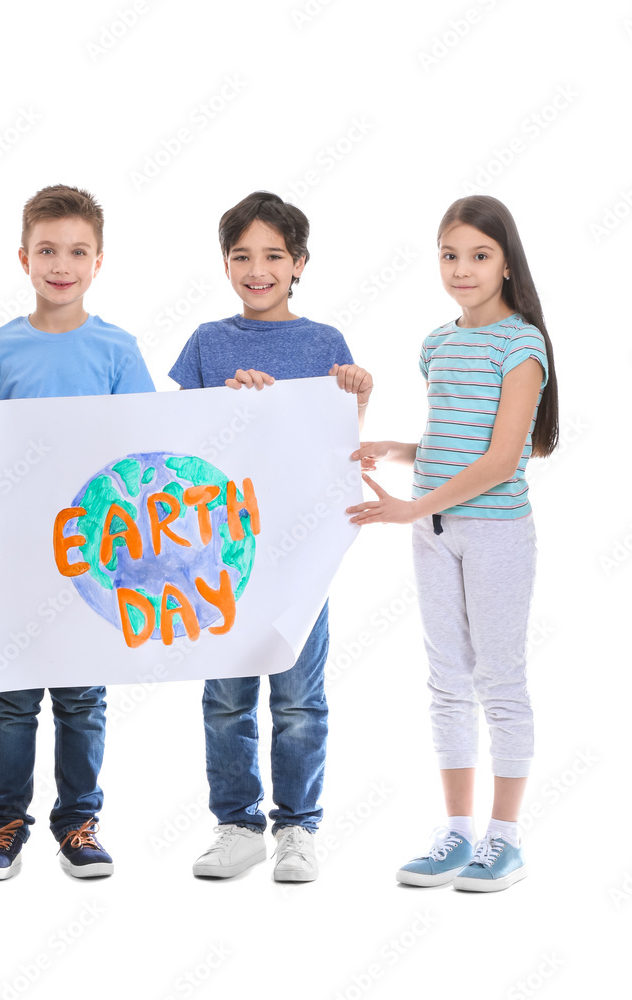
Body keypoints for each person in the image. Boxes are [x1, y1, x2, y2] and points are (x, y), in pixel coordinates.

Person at [0, 184, 155, 880]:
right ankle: (4, 823)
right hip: (17, 551)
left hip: (98, 549)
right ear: (23, 258)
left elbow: (148, 446)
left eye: (77, 251)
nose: (62, 264)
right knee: (12, 694)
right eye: (47, 250)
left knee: (83, 695)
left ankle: (79, 824)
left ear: (99, 262)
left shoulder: (118, 348)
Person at [346, 195, 559, 892]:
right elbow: (454, 438)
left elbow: (502, 461)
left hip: (494, 532)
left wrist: (412, 509)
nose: (461, 269)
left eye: (479, 255)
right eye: (449, 255)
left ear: (505, 263)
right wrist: (401, 449)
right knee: (446, 681)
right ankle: (458, 834)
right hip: (436, 532)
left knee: (500, 680)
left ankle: (506, 838)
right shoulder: (437, 343)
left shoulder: (521, 342)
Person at [168, 191, 372, 882]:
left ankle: (298, 828)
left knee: (297, 697)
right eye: (242, 256)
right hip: (218, 548)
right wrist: (227, 402)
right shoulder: (206, 342)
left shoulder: (323, 344)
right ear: (225, 264)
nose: (258, 269)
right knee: (225, 696)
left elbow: (339, 449)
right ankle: (236, 824)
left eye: (274, 256)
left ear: (299, 264)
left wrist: (357, 398)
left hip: (299, 549)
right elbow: (176, 446)